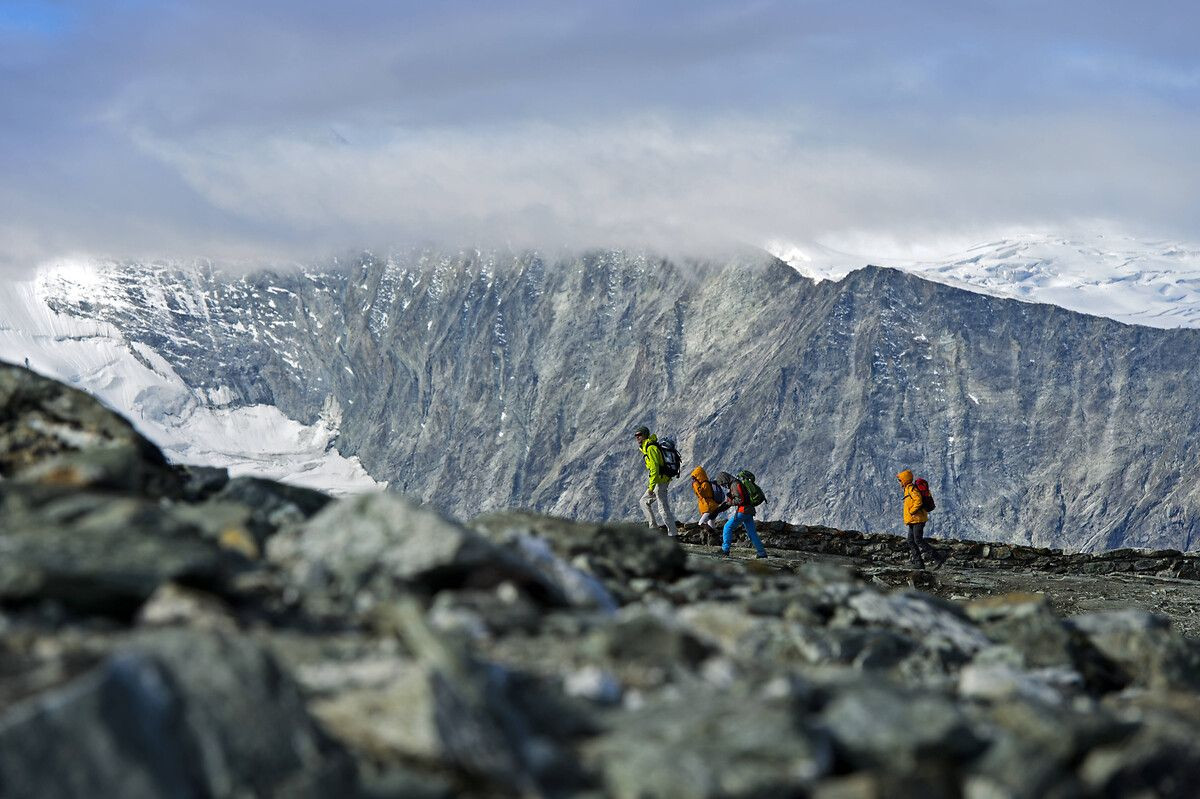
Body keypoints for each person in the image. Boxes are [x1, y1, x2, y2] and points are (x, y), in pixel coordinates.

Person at [897, 469, 945, 569]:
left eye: (900, 480)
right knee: (911, 541)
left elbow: (918, 501)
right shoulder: (907, 489)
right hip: (913, 520)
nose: (899, 482)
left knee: (918, 540)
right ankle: (919, 563)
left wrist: (912, 511)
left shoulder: (911, 489)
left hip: (918, 519)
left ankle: (938, 558)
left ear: (905, 480)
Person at [634, 426, 677, 535]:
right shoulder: (647, 447)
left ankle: (673, 534)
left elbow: (655, 469)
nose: (637, 437)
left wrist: (651, 488)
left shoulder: (651, 448)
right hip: (659, 480)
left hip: (660, 481)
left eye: (639, 435)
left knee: (663, 508)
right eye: (636, 435)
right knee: (643, 501)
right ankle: (653, 527)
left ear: (645, 435)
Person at [714, 471, 768, 558]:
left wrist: (730, 503)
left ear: (725, 479)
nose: (723, 485)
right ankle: (762, 553)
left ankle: (725, 550)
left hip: (743, 511)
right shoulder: (736, 484)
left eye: (723, 483)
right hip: (749, 511)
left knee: (727, 527)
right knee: (752, 533)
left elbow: (740, 500)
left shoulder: (735, 485)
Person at [690, 466, 725, 544]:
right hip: (711, 506)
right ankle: (716, 541)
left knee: (701, 523)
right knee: (711, 523)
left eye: (694, 477)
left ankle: (715, 536)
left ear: (698, 475)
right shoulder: (704, 483)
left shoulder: (705, 484)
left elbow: (701, 493)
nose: (693, 479)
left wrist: (695, 483)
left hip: (710, 507)